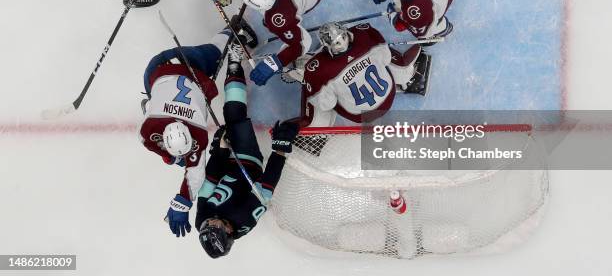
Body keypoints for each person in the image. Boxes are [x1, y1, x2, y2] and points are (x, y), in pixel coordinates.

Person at [139, 18, 257, 238]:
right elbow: (155, 146)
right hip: (157, 69)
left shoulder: (197, 136)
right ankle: (150, 100)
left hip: (187, 67)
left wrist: (184, 201)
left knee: (215, 56)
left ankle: (235, 27)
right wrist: (172, 160)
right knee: (211, 52)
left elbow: (196, 174)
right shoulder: (149, 130)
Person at [194, 42, 299, 258]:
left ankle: (234, 65)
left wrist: (220, 151)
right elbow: (268, 184)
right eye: (213, 226)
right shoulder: (244, 217)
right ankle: (236, 62)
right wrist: (280, 149)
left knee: (229, 119)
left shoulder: (202, 221)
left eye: (206, 226)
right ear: (227, 230)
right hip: (248, 162)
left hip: (227, 164)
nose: (207, 222)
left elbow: (211, 179)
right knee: (234, 116)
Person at [299, 22, 431, 127]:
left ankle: (313, 129)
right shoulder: (364, 38)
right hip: (387, 99)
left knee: (319, 92)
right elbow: (386, 57)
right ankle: (410, 78)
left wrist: (310, 77)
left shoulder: (320, 69)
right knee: (381, 58)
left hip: (359, 115)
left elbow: (327, 105)